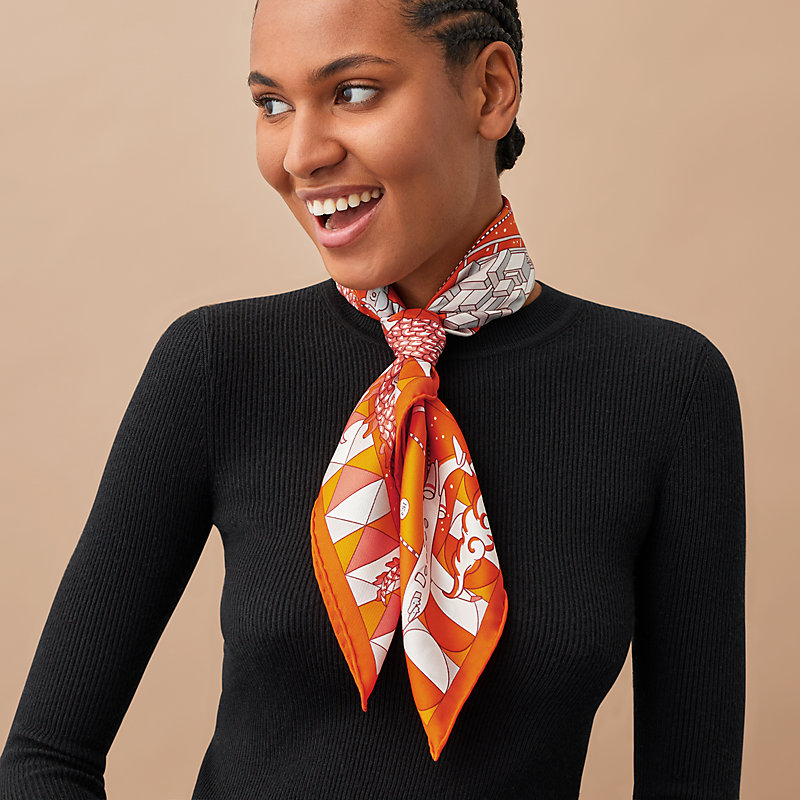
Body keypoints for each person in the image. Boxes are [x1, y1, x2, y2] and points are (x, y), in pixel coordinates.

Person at [0, 0, 746, 797]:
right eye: (272, 105)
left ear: (491, 90)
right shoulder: (216, 366)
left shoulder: (667, 390)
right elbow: (45, 758)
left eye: (352, 92)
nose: (301, 154)